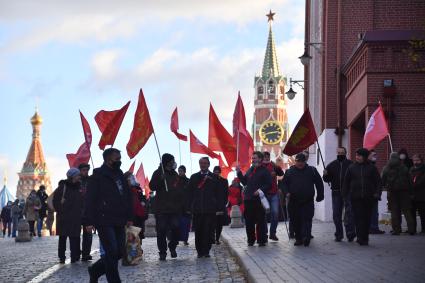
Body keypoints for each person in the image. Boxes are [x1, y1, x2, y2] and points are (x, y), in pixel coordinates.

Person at [85, 148, 133, 283]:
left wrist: (130, 216)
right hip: (104, 219)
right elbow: (90, 199)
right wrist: (88, 220)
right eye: (116, 158)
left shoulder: (120, 175)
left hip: (120, 218)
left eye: (119, 158)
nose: (119, 161)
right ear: (108, 159)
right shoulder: (97, 176)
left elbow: (127, 196)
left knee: (119, 251)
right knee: (111, 250)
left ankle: (95, 270)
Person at [281, 153, 324, 247]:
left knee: (307, 219)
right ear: (295, 161)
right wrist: (287, 193)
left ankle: (307, 236)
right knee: (296, 220)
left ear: (305, 161)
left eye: (302, 161)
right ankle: (299, 239)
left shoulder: (312, 170)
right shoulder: (289, 171)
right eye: (298, 161)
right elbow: (283, 184)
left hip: (308, 200)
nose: (300, 163)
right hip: (293, 201)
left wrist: (320, 195)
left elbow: (319, 183)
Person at [150, 153, 185, 261]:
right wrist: (161, 179)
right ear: (167, 162)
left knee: (176, 228)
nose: (173, 163)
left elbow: (179, 188)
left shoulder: (175, 174)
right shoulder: (158, 172)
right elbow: (152, 186)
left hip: (174, 208)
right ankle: (162, 252)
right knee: (161, 230)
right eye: (171, 161)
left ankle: (172, 246)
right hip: (162, 208)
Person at [343, 148, 381, 246]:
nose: (357, 157)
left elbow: (378, 182)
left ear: (364, 157)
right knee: (358, 218)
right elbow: (346, 182)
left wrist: (377, 193)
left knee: (367, 218)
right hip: (355, 197)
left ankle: (365, 237)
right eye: (356, 155)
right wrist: (345, 194)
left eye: (359, 156)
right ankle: (360, 238)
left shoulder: (371, 168)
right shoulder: (351, 168)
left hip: (369, 197)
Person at [237, 151, 272, 247]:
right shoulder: (250, 169)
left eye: (255, 158)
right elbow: (245, 182)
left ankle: (261, 240)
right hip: (248, 199)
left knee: (260, 220)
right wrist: (239, 173)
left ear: (260, 159)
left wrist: (260, 190)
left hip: (259, 199)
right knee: (249, 221)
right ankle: (250, 240)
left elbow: (269, 184)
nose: (253, 160)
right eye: (252, 158)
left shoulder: (265, 171)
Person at [187, 157, 220, 257]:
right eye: (201, 163)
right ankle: (199, 251)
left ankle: (206, 251)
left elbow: (218, 193)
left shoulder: (214, 177)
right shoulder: (194, 177)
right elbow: (189, 192)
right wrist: (189, 206)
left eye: (205, 163)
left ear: (209, 164)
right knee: (199, 231)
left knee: (208, 230)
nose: (203, 165)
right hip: (197, 209)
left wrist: (218, 206)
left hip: (210, 209)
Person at [323, 147, 356, 242]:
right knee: (336, 214)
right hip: (336, 192)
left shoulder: (351, 164)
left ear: (345, 153)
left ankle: (350, 233)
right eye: (339, 152)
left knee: (349, 213)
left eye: (342, 152)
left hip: (348, 192)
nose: (340, 154)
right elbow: (326, 179)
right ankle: (339, 234)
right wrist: (325, 174)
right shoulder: (331, 165)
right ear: (336, 153)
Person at [53, 168, 84, 263]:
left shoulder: (80, 187)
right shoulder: (63, 187)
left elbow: (82, 201)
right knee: (63, 237)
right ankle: (62, 256)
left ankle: (75, 256)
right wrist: (61, 210)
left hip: (76, 217)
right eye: (78, 175)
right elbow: (55, 201)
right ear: (73, 176)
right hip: (64, 217)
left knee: (75, 237)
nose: (80, 177)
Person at [382, 152, 415, 235]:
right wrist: (411, 192)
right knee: (407, 211)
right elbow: (410, 181)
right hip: (404, 192)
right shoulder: (403, 167)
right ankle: (411, 229)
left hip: (392, 192)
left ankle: (396, 230)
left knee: (394, 212)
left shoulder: (386, 168)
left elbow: (382, 180)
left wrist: (386, 187)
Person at [262, 152, 284, 241]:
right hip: (264, 194)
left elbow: (281, 173)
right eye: (265, 157)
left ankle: (273, 233)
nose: (267, 158)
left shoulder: (273, 165)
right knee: (263, 214)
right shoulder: (260, 167)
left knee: (275, 213)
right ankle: (264, 233)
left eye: (268, 157)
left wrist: (277, 167)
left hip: (274, 193)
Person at [124, 171, 148, 244]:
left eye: (132, 177)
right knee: (131, 237)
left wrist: (143, 203)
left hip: (139, 216)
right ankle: (132, 251)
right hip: (130, 216)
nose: (132, 179)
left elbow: (143, 199)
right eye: (130, 177)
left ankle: (138, 249)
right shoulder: (125, 189)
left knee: (139, 234)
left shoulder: (138, 189)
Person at [368, 150, 385, 234]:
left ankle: (373, 227)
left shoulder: (372, 166)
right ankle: (373, 228)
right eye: (373, 155)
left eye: (376, 155)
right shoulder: (370, 166)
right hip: (370, 193)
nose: (375, 157)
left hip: (374, 193)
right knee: (373, 212)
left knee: (374, 212)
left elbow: (378, 182)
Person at [79, 163, 93, 261]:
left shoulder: (91, 181)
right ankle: (76, 253)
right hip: (78, 211)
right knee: (75, 235)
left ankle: (86, 254)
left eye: (87, 170)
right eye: (83, 170)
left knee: (88, 234)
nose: (85, 172)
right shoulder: (76, 181)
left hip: (88, 211)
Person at [212, 166, 229, 245]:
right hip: (212, 205)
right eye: (215, 171)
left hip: (221, 204)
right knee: (212, 222)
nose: (216, 172)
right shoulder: (210, 180)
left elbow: (226, 193)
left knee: (219, 223)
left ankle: (217, 238)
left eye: (217, 171)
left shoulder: (224, 181)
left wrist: (224, 202)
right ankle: (212, 238)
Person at [410, 154, 425, 233]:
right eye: (414, 160)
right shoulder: (411, 169)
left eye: (417, 160)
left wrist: (412, 185)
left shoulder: (423, 169)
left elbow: (421, 182)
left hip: (421, 195)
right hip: (412, 196)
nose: (415, 162)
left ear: (421, 160)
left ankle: (423, 229)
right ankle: (413, 229)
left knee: (422, 213)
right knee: (412, 214)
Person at [177, 165, 191, 246]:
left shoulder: (188, 181)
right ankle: (177, 239)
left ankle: (185, 239)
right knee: (178, 224)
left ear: (184, 171)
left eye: (181, 171)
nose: (180, 173)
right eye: (179, 171)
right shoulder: (176, 181)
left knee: (186, 224)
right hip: (178, 206)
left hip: (186, 206)